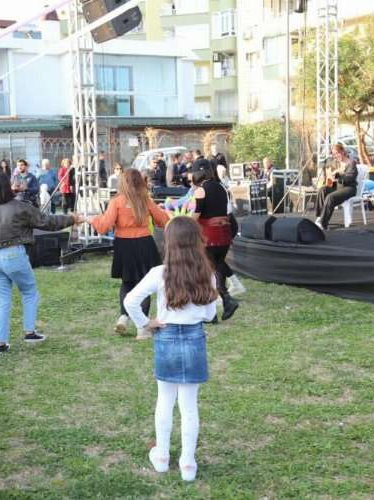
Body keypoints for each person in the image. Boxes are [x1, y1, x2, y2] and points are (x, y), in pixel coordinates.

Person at [123, 216, 215, 482]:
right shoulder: (207, 274)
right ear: (197, 242)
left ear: (169, 243)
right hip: (194, 338)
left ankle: (162, 457)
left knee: (164, 399)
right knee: (189, 405)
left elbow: (130, 301)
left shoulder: (158, 273)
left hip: (166, 338)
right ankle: (188, 463)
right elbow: (210, 315)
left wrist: (146, 323)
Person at [0, 172, 83, 353]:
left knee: (2, 300)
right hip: (14, 254)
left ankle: (1, 343)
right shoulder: (20, 207)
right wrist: (71, 218)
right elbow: (47, 222)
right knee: (29, 291)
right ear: (7, 186)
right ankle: (29, 332)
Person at [89, 168, 170, 339]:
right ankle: (142, 329)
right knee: (145, 285)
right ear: (140, 182)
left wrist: (91, 220)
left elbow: (104, 226)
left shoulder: (117, 201)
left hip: (123, 245)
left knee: (126, 283)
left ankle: (123, 318)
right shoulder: (145, 200)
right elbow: (162, 220)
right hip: (145, 244)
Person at [191, 160, 240, 320]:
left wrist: (183, 222)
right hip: (224, 234)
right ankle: (216, 310)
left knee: (208, 272)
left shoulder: (201, 190)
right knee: (217, 267)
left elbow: (196, 215)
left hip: (209, 236)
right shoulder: (221, 187)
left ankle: (224, 301)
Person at [315, 143, 358, 230]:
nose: (335, 156)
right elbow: (325, 165)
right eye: (334, 154)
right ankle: (320, 217)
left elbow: (350, 177)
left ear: (342, 151)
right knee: (322, 190)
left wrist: (338, 176)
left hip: (349, 188)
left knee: (330, 197)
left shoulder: (351, 163)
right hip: (338, 187)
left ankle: (323, 224)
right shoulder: (336, 163)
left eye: (337, 153)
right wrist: (328, 173)